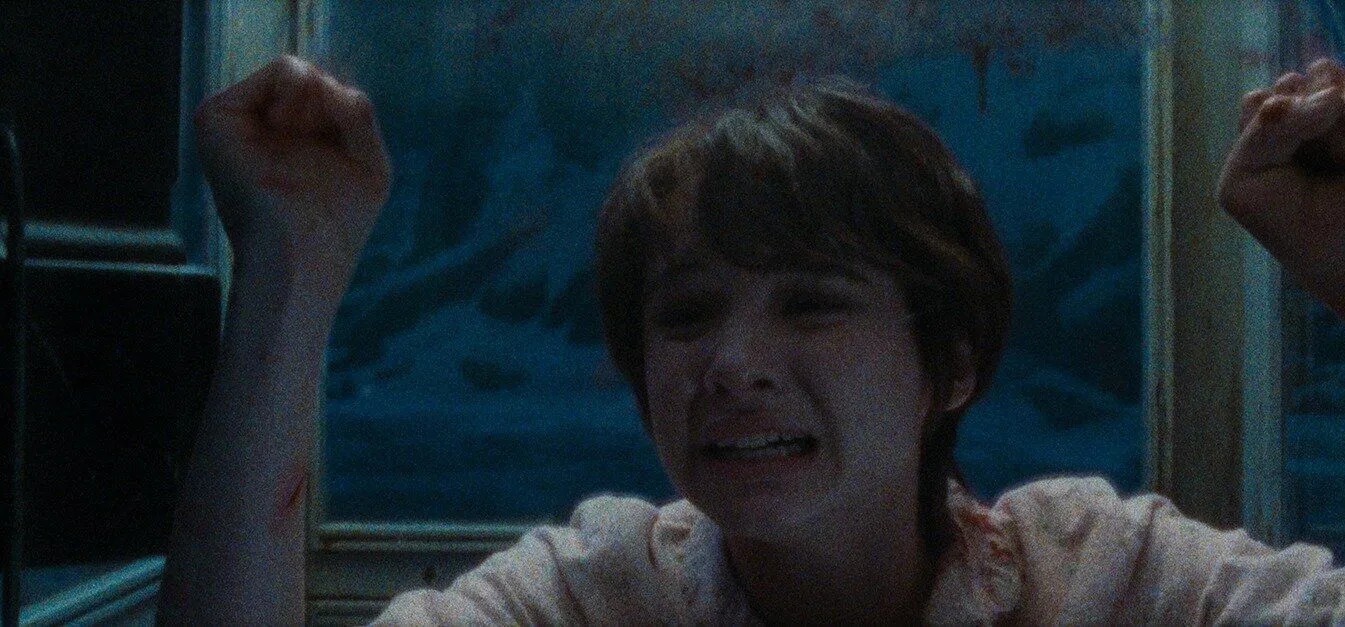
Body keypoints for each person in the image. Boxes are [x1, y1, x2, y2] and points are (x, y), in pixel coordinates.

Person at [156, 53, 1345, 625]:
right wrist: (290, 270)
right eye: (684, 315)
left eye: (811, 302)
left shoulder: (1112, 584)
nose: (730, 363)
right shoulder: (588, 599)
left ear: (951, 361)